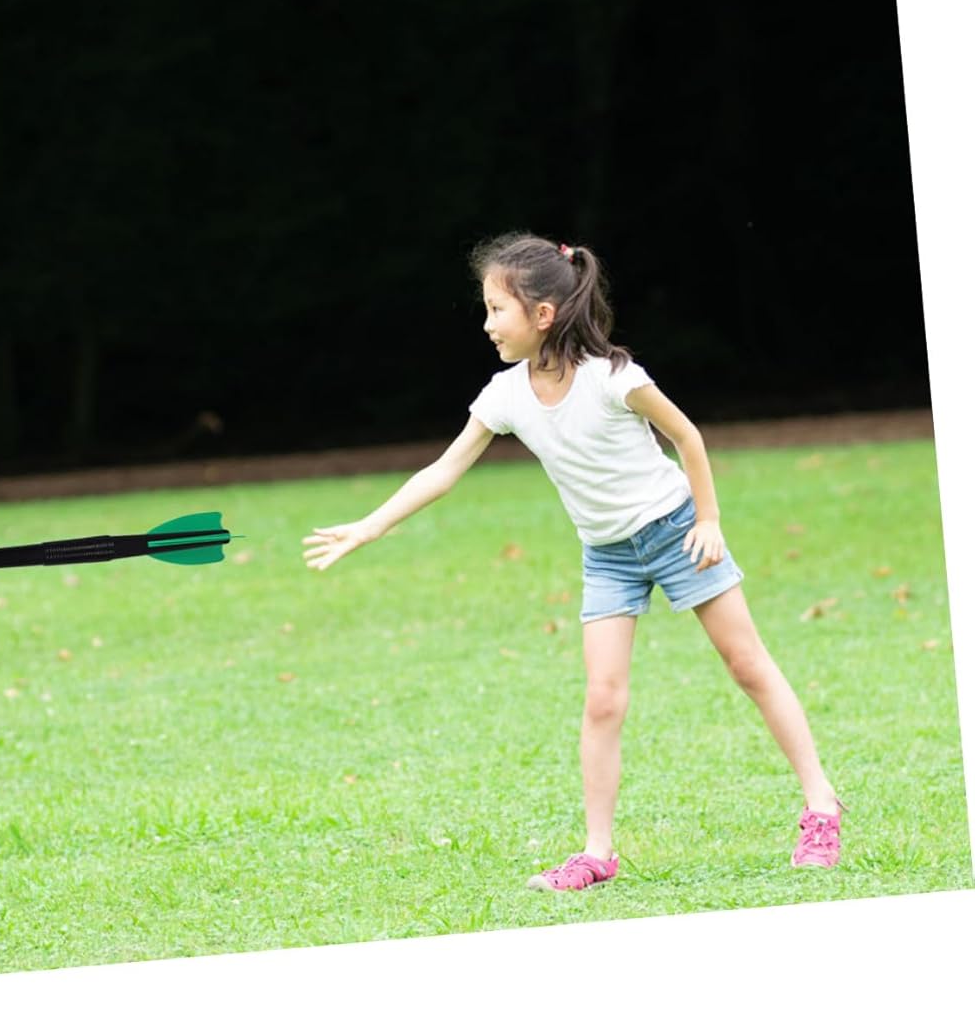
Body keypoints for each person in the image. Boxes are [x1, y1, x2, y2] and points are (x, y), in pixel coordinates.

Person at [302, 231, 842, 891]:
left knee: (747, 665)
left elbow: (686, 435)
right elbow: (443, 470)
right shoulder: (505, 395)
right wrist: (369, 527)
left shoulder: (612, 377)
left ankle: (821, 806)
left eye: (496, 309)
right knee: (603, 699)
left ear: (542, 314)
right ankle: (596, 853)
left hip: (676, 530)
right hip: (608, 554)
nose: (486, 324)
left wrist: (708, 519)